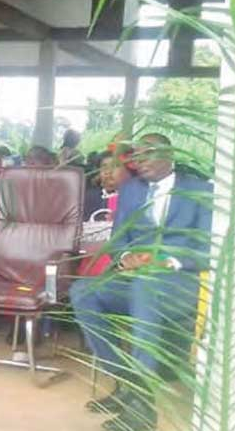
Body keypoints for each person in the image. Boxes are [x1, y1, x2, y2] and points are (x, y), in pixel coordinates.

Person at [69, 133, 212, 431]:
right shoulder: (132, 190)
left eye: (148, 154)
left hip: (179, 283)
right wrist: (125, 259)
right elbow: (119, 240)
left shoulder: (200, 190)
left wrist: (168, 261)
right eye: (137, 155)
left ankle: (142, 406)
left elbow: (207, 249)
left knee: (145, 287)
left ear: (168, 155)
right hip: (136, 279)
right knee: (83, 291)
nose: (140, 161)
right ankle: (126, 383)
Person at [78, 151, 133, 276]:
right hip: (90, 267)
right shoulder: (89, 197)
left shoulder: (137, 198)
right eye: (104, 167)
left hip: (123, 267)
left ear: (129, 172)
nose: (108, 172)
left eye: (114, 166)